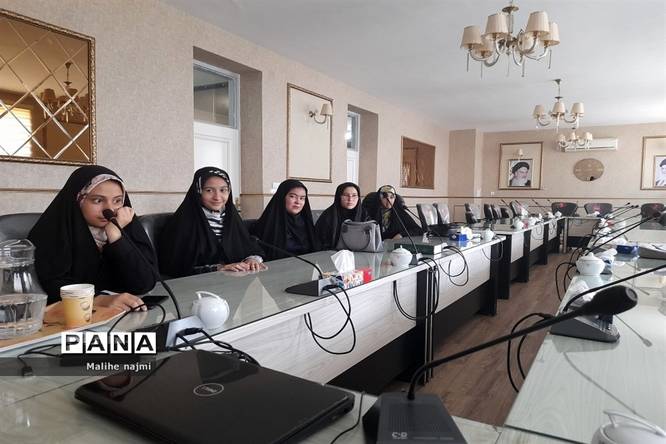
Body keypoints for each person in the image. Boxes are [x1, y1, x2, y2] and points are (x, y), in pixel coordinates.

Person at [28, 165, 156, 310]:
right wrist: (98, 299)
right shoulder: (51, 231)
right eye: (97, 200)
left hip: (123, 314)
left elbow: (144, 283)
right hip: (70, 316)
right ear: (78, 199)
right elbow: (48, 286)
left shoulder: (126, 227)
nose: (109, 210)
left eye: (117, 201)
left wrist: (116, 237)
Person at [158, 167, 264, 277]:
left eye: (223, 190)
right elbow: (174, 266)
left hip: (233, 282)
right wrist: (218, 268)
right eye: (209, 190)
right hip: (197, 284)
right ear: (198, 191)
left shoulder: (231, 219)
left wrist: (251, 260)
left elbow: (248, 247)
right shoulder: (183, 223)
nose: (217, 197)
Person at [250, 179, 320, 260]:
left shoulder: (307, 223)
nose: (298, 202)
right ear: (282, 197)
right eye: (292, 196)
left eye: (302, 198)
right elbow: (257, 251)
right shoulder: (269, 222)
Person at [315, 182, 367, 250]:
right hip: (331, 254)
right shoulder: (328, 215)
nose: (350, 199)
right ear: (339, 196)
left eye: (354, 195)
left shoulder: (364, 214)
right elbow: (319, 242)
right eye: (346, 195)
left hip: (360, 253)